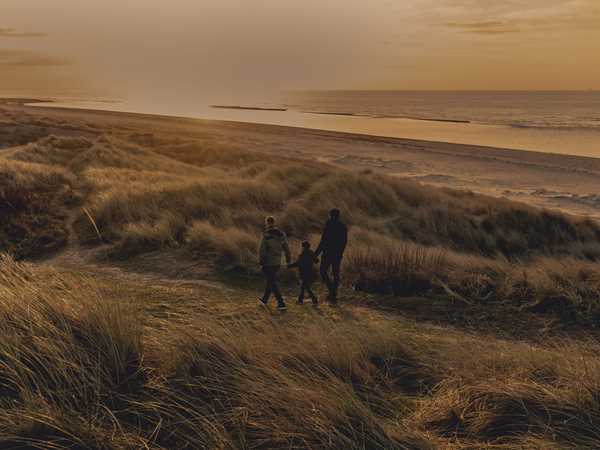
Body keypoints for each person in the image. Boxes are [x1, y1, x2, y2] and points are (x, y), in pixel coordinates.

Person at [315, 208, 348, 305]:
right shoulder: (343, 226)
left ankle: (332, 291)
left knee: (323, 271)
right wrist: (340, 252)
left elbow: (323, 240)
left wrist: (316, 253)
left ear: (330, 215)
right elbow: (344, 242)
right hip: (337, 254)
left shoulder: (329, 224)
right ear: (338, 215)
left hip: (328, 253)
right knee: (335, 273)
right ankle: (333, 292)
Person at [258, 216, 291, 310]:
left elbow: (262, 250)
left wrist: (261, 261)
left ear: (267, 223)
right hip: (277, 262)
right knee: (270, 280)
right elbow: (287, 249)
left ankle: (281, 303)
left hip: (268, 262)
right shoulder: (282, 235)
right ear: (274, 222)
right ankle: (264, 300)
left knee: (272, 282)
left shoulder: (266, 235)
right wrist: (288, 260)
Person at [288, 241, 319, 306]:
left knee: (305, 286)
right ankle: (301, 300)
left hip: (304, 271)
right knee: (304, 286)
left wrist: (290, 266)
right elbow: (317, 261)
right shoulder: (311, 253)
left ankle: (313, 299)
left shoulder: (302, 254)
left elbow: (298, 263)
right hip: (310, 271)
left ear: (303, 247)